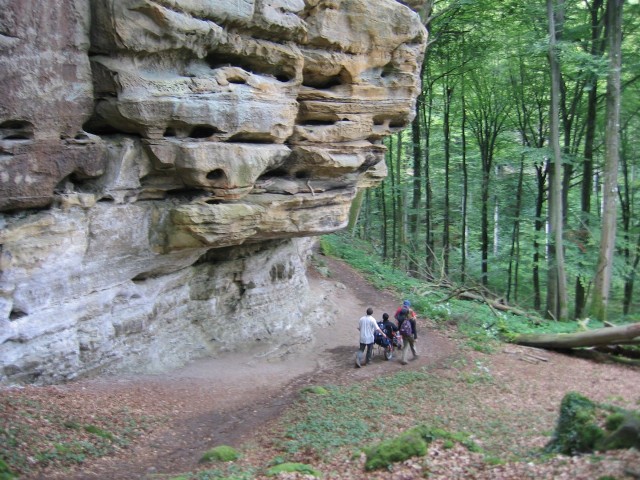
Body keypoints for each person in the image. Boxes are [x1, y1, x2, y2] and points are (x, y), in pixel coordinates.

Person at [395, 300, 419, 364]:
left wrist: (400, 333)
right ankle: (415, 354)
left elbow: (399, 326)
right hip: (410, 334)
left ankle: (404, 360)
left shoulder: (402, 319)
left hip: (404, 334)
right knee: (412, 344)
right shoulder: (412, 320)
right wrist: (416, 337)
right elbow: (414, 329)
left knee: (405, 346)